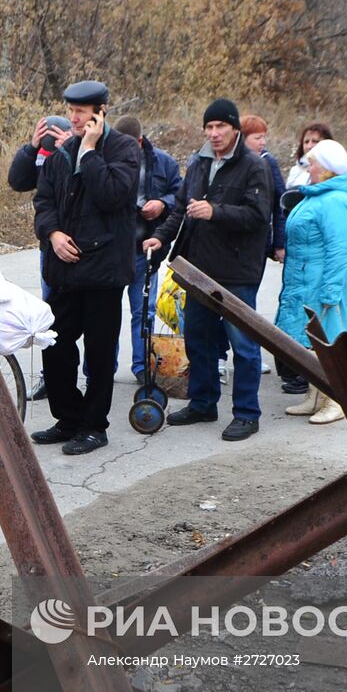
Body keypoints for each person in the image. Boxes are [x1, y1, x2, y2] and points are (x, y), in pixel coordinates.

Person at [143, 98, 273, 441]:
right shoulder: (198, 162)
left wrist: (216, 212)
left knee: (243, 345)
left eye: (221, 127)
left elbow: (258, 215)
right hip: (197, 269)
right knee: (198, 338)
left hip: (237, 271)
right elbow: (180, 209)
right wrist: (160, 237)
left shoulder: (253, 165)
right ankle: (203, 403)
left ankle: (247, 413)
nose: (214, 133)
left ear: (235, 129)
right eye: (209, 127)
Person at [30, 81, 140, 455]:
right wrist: (53, 234)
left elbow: (112, 195)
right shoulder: (61, 153)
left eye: (81, 112)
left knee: (99, 352)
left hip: (104, 271)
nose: (74, 118)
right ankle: (68, 418)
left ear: (100, 112)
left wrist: (90, 152)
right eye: (71, 111)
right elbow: (43, 202)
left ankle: (94, 426)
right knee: (53, 343)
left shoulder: (123, 149)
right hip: (65, 270)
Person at [275, 140, 347, 424]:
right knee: (315, 340)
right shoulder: (318, 195)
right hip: (308, 278)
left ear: (326, 168)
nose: (308, 168)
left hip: (325, 280)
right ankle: (316, 395)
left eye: (312, 163)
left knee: (332, 339)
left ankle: (337, 401)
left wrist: (331, 291)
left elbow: (340, 249)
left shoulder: (336, 201)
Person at [114, 114, 182, 384]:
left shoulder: (163, 162)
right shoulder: (106, 160)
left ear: (140, 141)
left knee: (144, 312)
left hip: (146, 249)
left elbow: (180, 194)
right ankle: (103, 367)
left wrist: (162, 204)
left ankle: (142, 366)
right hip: (113, 251)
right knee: (106, 313)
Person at [10, 115, 73, 400]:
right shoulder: (41, 155)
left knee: (88, 320)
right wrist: (31, 148)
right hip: (49, 247)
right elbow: (17, 181)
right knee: (51, 317)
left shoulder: (78, 152)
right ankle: (52, 378)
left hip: (83, 249)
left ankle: (98, 374)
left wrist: (71, 148)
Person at [241, 115, 288, 263]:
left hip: (260, 241)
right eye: (257, 138)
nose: (263, 142)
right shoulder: (231, 161)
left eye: (263, 137)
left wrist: (279, 243)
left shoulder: (268, 162)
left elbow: (280, 203)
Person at [285, 123, 334, 189]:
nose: (309, 146)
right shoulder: (295, 170)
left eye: (315, 141)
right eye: (306, 142)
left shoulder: (334, 171)